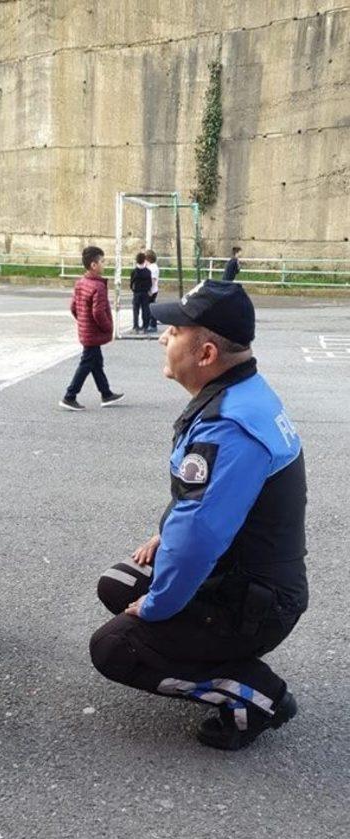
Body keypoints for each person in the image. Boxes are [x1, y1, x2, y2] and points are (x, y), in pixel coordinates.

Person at [90, 280, 307, 751]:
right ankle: (205, 654)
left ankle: (257, 697)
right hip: (245, 581)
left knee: (114, 647)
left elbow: (197, 538)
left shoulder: (229, 427)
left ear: (206, 353)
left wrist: (155, 607)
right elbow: (207, 503)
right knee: (119, 581)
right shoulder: (242, 393)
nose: (165, 337)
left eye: (174, 330)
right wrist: (162, 533)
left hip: (255, 605)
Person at [59, 246, 124, 411]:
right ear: (94, 265)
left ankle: (106, 393)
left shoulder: (81, 283)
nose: (104, 265)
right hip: (93, 332)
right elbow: (98, 312)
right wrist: (108, 328)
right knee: (87, 362)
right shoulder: (98, 287)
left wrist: (82, 321)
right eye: (102, 261)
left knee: (96, 363)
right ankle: (70, 396)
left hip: (86, 330)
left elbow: (73, 307)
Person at [129, 252, 152, 334]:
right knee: (145, 309)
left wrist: (133, 289)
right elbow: (150, 283)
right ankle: (145, 326)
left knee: (136, 310)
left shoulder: (134, 272)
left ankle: (136, 326)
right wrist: (148, 289)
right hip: (145, 293)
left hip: (137, 293)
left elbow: (131, 283)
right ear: (144, 261)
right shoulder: (148, 272)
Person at [145, 249, 159, 332]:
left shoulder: (152, 268)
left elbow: (152, 280)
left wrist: (149, 290)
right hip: (153, 290)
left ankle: (153, 325)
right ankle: (151, 324)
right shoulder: (151, 267)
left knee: (150, 308)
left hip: (152, 290)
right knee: (149, 307)